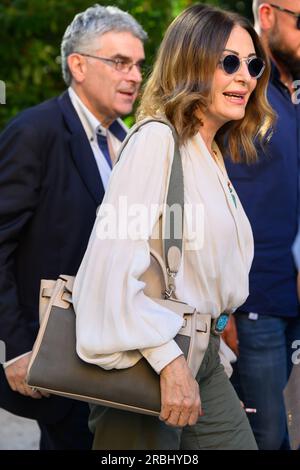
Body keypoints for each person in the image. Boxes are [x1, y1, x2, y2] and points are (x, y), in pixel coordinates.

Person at [73, 4, 274, 450]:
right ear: (190, 61)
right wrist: (170, 362)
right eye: (229, 62)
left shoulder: (210, 154)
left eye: (253, 64)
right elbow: (104, 274)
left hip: (200, 356)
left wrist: (212, 352)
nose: (245, 76)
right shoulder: (155, 142)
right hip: (146, 360)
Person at [0, 4, 146, 450]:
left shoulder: (130, 141)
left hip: (118, 360)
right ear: (78, 65)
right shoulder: (35, 132)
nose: (136, 76)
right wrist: (19, 348)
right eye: (120, 62)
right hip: (56, 362)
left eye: (140, 64)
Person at [224, 0, 300, 450]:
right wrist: (221, 309)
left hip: (291, 299)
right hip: (252, 304)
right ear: (267, 15)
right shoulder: (239, 85)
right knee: (264, 437)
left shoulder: (293, 91)